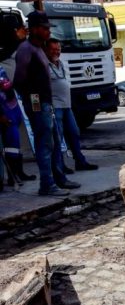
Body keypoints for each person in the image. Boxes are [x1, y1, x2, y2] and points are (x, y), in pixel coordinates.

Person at [14, 11, 79, 196]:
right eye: (44, 28)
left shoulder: (39, 48)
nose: (47, 32)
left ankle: (59, 179)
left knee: (55, 143)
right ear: (34, 29)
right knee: (44, 144)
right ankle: (47, 184)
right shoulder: (26, 49)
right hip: (38, 104)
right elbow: (19, 81)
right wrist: (34, 103)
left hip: (47, 104)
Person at [46, 38, 97, 172]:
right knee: (58, 138)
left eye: (58, 49)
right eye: (53, 49)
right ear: (46, 50)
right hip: (55, 106)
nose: (56, 52)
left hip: (66, 106)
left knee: (74, 133)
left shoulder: (60, 64)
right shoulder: (44, 65)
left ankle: (80, 162)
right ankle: (60, 166)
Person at [0, 16, 36, 185]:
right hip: (5, 107)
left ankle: (18, 173)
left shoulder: (16, 51)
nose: (24, 31)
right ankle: (13, 175)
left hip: (13, 104)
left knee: (15, 141)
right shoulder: (5, 57)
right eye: (20, 29)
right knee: (11, 140)